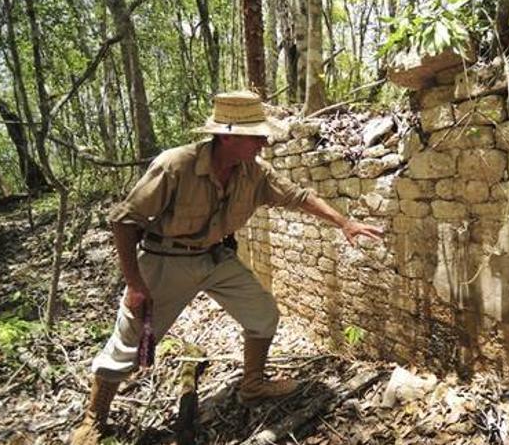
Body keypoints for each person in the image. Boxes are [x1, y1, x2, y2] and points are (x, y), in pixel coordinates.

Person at [71, 91, 383, 444]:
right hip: (165, 260)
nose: (264, 142)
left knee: (263, 314)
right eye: (256, 135)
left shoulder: (255, 172)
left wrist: (344, 223)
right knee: (130, 341)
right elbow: (125, 220)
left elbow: (297, 196)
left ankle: (252, 386)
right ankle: (94, 418)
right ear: (228, 135)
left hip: (215, 257)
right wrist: (135, 283)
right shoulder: (176, 165)